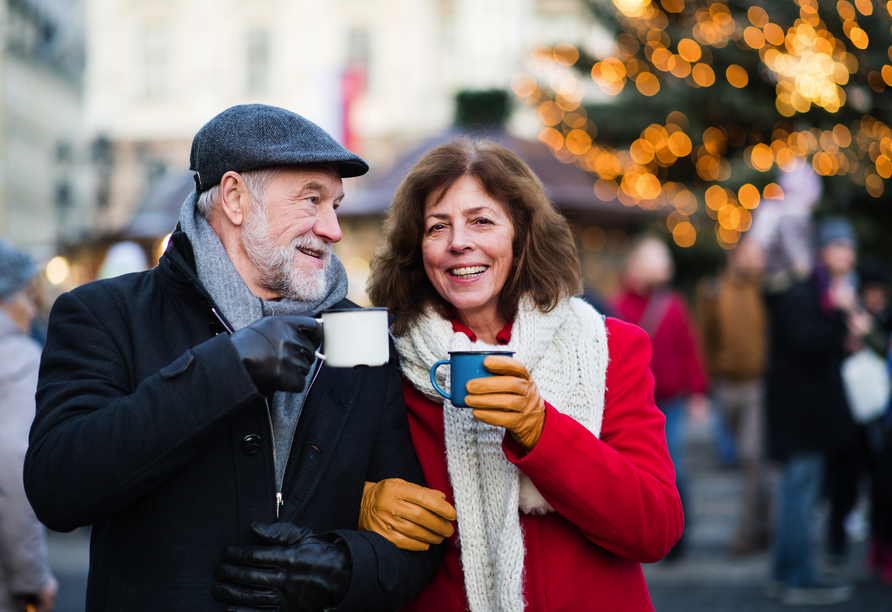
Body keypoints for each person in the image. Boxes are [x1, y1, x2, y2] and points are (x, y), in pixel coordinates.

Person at [24, 104, 446, 612]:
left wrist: (345, 568)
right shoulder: (106, 314)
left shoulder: (359, 332)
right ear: (235, 198)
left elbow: (417, 538)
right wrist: (228, 367)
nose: (332, 228)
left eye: (335, 205)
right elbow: (58, 490)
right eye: (312, 200)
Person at [362, 138, 683, 611]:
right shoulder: (381, 360)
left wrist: (542, 431)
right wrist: (358, 502)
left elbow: (655, 530)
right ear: (417, 247)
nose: (458, 242)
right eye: (437, 226)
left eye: (482, 221)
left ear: (522, 234)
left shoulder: (611, 348)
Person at [764, 217, 859, 605]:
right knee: (800, 496)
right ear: (820, 251)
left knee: (798, 494)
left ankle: (787, 574)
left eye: (850, 247)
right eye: (840, 245)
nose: (848, 254)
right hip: (802, 419)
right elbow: (807, 344)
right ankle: (796, 577)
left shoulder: (817, 290)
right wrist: (838, 316)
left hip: (807, 417)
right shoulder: (805, 292)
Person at [613, 234, 709, 559]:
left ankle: (677, 535)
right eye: (659, 258)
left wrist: (698, 392)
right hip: (631, 402)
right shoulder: (618, 306)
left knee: (675, 469)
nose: (666, 264)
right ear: (637, 265)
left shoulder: (673, 305)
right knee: (636, 471)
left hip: (671, 402)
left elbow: (688, 350)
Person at [696, 236, 772, 555]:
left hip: (757, 385)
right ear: (735, 256)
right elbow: (704, 336)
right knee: (750, 460)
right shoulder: (714, 289)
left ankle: (747, 531)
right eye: (751, 255)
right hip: (726, 386)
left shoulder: (766, 288)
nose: (758, 261)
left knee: (751, 456)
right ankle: (765, 524)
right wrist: (706, 383)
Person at [0, 241, 57, 612]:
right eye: (27, 296)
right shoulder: (18, 359)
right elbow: (14, 470)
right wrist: (32, 579)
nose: (33, 310)